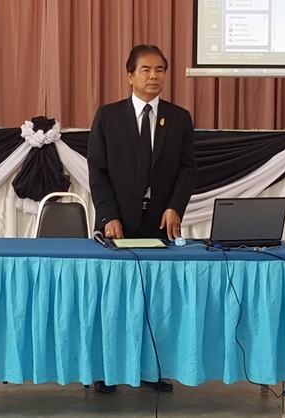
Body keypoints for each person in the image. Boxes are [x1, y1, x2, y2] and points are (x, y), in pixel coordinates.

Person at [87, 44, 196, 393]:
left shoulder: (178, 118)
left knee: (155, 299)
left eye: (160, 70)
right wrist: (108, 215)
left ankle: (152, 369)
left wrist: (175, 206)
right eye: (146, 70)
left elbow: (187, 169)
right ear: (130, 76)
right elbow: (97, 171)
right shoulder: (108, 116)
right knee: (114, 299)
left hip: (160, 223)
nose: (154, 76)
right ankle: (108, 370)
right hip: (117, 223)